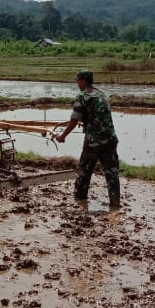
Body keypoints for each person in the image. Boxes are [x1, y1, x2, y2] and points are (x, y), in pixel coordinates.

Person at [55, 70, 121, 208]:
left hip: (94, 141)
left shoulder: (82, 96)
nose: (77, 84)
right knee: (112, 172)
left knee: (84, 171)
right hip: (110, 138)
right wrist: (86, 121)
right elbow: (98, 115)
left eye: (78, 81)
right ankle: (115, 204)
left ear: (84, 81)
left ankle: (80, 201)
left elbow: (73, 120)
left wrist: (62, 136)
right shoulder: (102, 94)